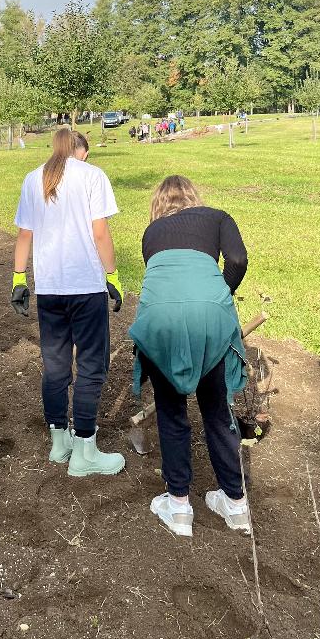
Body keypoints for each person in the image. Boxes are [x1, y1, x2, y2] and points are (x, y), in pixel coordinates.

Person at [129, 175, 250, 538]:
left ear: (158, 205)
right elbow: (238, 259)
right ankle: (235, 504)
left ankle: (179, 507)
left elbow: (167, 281)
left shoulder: (151, 234)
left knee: (171, 412)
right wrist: (219, 294)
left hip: (158, 322)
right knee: (216, 411)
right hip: (210, 320)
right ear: (195, 198)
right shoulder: (217, 217)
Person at [11, 127, 125, 477]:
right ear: (79, 150)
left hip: (49, 289)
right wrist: (112, 275)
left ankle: (59, 443)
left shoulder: (34, 179)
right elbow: (100, 232)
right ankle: (85, 451)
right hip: (85, 285)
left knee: (56, 366)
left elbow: (24, 235)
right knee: (91, 365)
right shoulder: (92, 176)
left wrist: (18, 280)